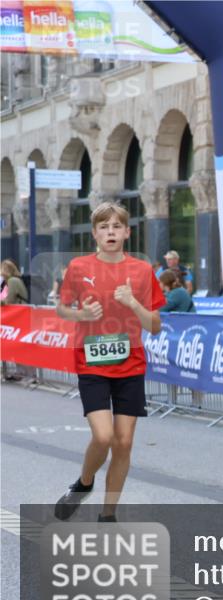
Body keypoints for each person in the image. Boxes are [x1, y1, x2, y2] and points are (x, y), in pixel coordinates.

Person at [54, 202, 165, 523]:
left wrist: (132, 303)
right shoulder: (78, 267)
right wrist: (82, 314)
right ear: (95, 234)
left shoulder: (142, 271)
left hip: (130, 365)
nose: (110, 232)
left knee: (124, 442)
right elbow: (62, 310)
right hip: (91, 363)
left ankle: (107, 515)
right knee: (104, 436)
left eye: (117, 226)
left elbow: (154, 325)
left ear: (127, 232)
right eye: (104, 227)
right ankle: (84, 484)